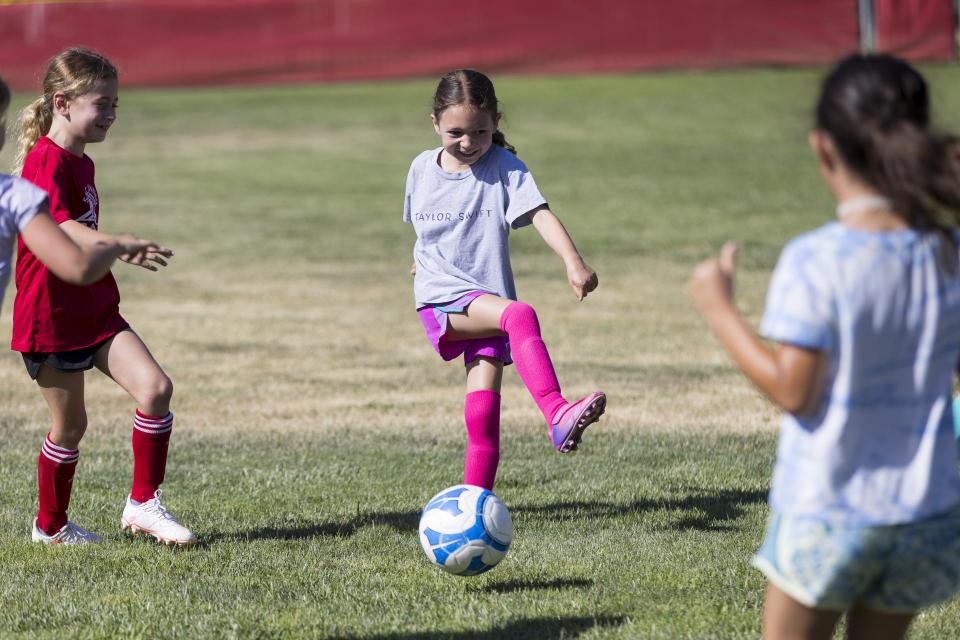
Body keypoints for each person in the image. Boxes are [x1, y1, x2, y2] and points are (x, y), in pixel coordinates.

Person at [689, 54, 960, 640]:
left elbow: (794, 390)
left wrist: (720, 309)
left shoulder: (819, 259)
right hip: (925, 512)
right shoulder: (949, 251)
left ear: (823, 148)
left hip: (830, 509)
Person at [13, 48, 194, 546]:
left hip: (94, 309)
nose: (111, 115)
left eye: (116, 104)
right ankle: (49, 528)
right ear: (63, 103)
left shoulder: (81, 161)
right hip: (49, 318)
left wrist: (111, 250)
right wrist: (117, 244)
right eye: (102, 104)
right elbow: (61, 226)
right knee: (70, 429)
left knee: (155, 389)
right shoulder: (44, 160)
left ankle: (143, 505)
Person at [404, 69, 606, 491]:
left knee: (484, 420)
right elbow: (425, 229)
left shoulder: (505, 167)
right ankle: (556, 412)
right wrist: (419, 260)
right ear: (435, 122)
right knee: (520, 315)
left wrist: (573, 261)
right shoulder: (421, 168)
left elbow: (539, 214)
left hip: (485, 297)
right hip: (442, 298)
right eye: (455, 131)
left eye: (480, 130)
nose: (468, 141)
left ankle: (474, 506)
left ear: (496, 122)